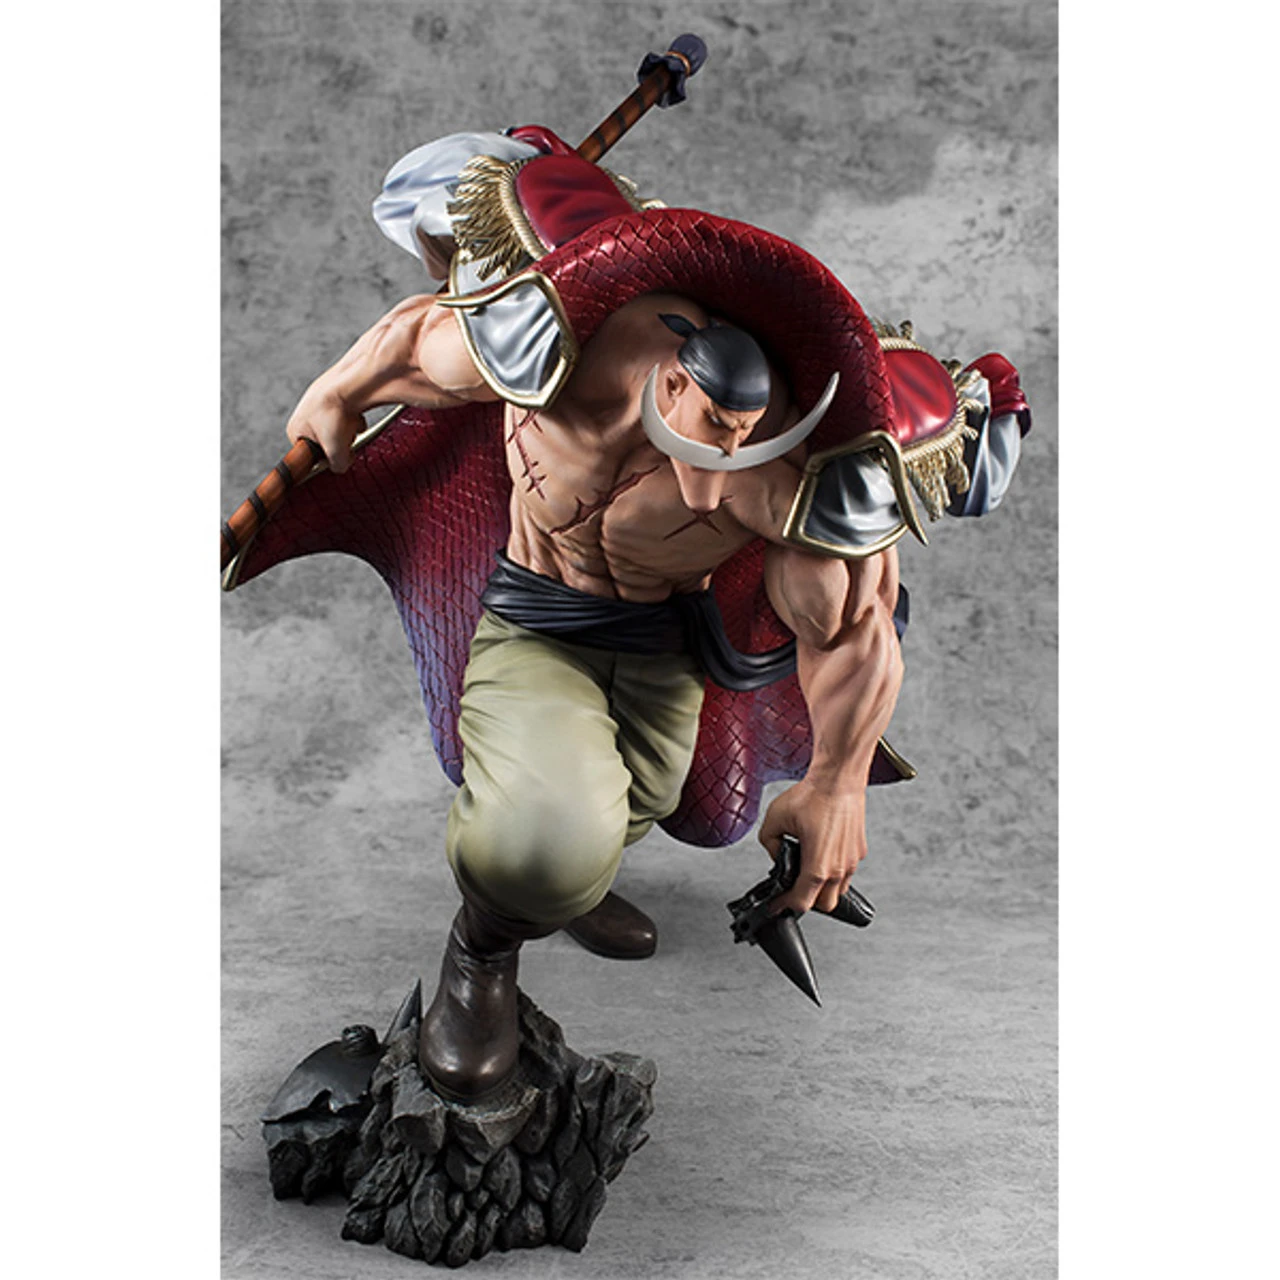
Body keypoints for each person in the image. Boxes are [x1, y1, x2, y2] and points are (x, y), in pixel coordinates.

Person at [279, 130, 1029, 1101]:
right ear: (673, 379)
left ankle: (574, 872)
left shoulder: (780, 468)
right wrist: (334, 394)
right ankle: (482, 953)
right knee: (539, 849)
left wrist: (837, 786)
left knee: (649, 808)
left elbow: (853, 625)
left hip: (664, 652)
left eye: (743, 442)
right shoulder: (559, 350)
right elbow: (417, 340)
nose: (718, 481)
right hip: (538, 624)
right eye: (711, 429)